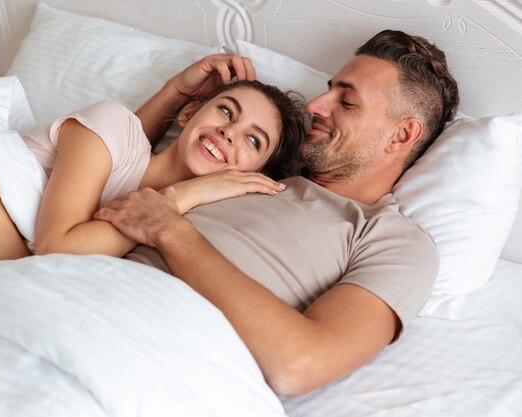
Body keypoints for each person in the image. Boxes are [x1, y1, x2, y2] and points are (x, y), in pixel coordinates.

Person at [94, 30, 460, 396]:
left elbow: (299, 365)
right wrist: (176, 93)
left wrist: (169, 230)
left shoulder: (394, 241)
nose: (316, 105)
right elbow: (123, 167)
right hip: (79, 290)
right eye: (328, 89)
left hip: (141, 355)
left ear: (402, 135)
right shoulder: (245, 168)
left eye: (346, 102)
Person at [0, 80, 306, 261]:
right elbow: (55, 249)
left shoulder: (179, 234)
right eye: (225, 110)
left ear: (253, 176)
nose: (229, 132)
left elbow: (21, 270)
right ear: (189, 113)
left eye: (254, 141)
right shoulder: (113, 127)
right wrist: (181, 196)